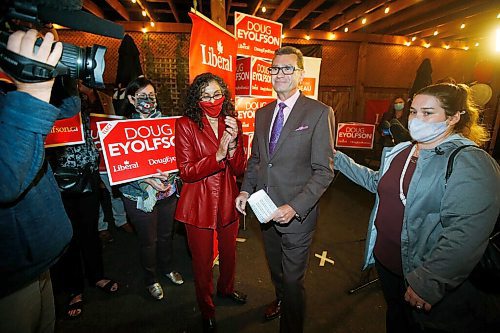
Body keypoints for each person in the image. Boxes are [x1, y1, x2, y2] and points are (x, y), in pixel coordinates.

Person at [334, 83, 500, 333]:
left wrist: (429, 282)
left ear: (454, 117)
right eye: (413, 111)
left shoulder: (469, 161)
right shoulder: (403, 150)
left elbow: (466, 233)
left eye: (428, 112)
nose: (416, 118)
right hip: (388, 264)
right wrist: (336, 158)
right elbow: (376, 182)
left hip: (423, 273)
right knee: (396, 321)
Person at [235, 46, 336, 333]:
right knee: (277, 271)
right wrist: (245, 191)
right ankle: (280, 300)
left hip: (296, 216)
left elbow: (324, 171)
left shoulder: (319, 113)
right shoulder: (264, 113)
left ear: (301, 74)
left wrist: (294, 208)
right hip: (264, 211)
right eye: (275, 68)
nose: (279, 74)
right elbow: (257, 160)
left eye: (287, 68)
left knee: (293, 281)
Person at [0, 29, 75, 333]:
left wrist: (60, 72)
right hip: (9, 280)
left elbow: (69, 109)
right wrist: (31, 93)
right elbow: (6, 180)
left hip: (36, 263)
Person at [175, 73, 247, 333]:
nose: (212, 100)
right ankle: (207, 308)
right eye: (205, 95)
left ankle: (226, 290)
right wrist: (217, 155)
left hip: (228, 198)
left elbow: (239, 168)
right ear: (197, 99)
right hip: (199, 203)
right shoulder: (185, 124)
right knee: (202, 262)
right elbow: (186, 171)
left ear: (224, 95)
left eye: (217, 94)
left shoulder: (232, 122)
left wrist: (234, 144)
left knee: (230, 254)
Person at [47, 79, 120, 319]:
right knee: (69, 237)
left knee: (89, 231)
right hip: (58, 180)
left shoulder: (77, 98)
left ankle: (97, 276)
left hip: (86, 176)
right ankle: (74, 289)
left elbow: (96, 115)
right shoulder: (43, 101)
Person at [119, 77, 184, 301]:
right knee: (149, 240)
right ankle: (151, 278)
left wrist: (170, 175)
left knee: (167, 235)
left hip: (167, 191)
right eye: (143, 96)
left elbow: (178, 157)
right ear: (131, 99)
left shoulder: (169, 124)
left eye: (152, 96)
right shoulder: (121, 128)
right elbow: (119, 168)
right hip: (139, 196)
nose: (149, 100)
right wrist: (145, 180)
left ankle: (167, 268)